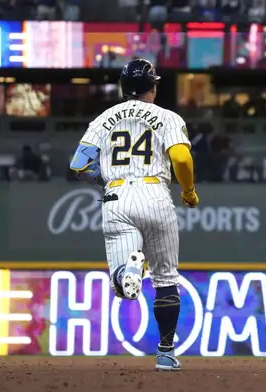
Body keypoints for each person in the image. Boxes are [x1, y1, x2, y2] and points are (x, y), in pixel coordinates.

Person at [69, 58, 199, 371]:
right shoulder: (166, 116)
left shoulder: (104, 118)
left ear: (124, 88)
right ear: (153, 87)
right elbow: (181, 157)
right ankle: (166, 353)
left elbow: (78, 165)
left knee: (122, 287)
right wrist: (188, 190)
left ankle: (129, 269)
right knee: (166, 279)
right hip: (155, 193)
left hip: (116, 197)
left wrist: (109, 180)